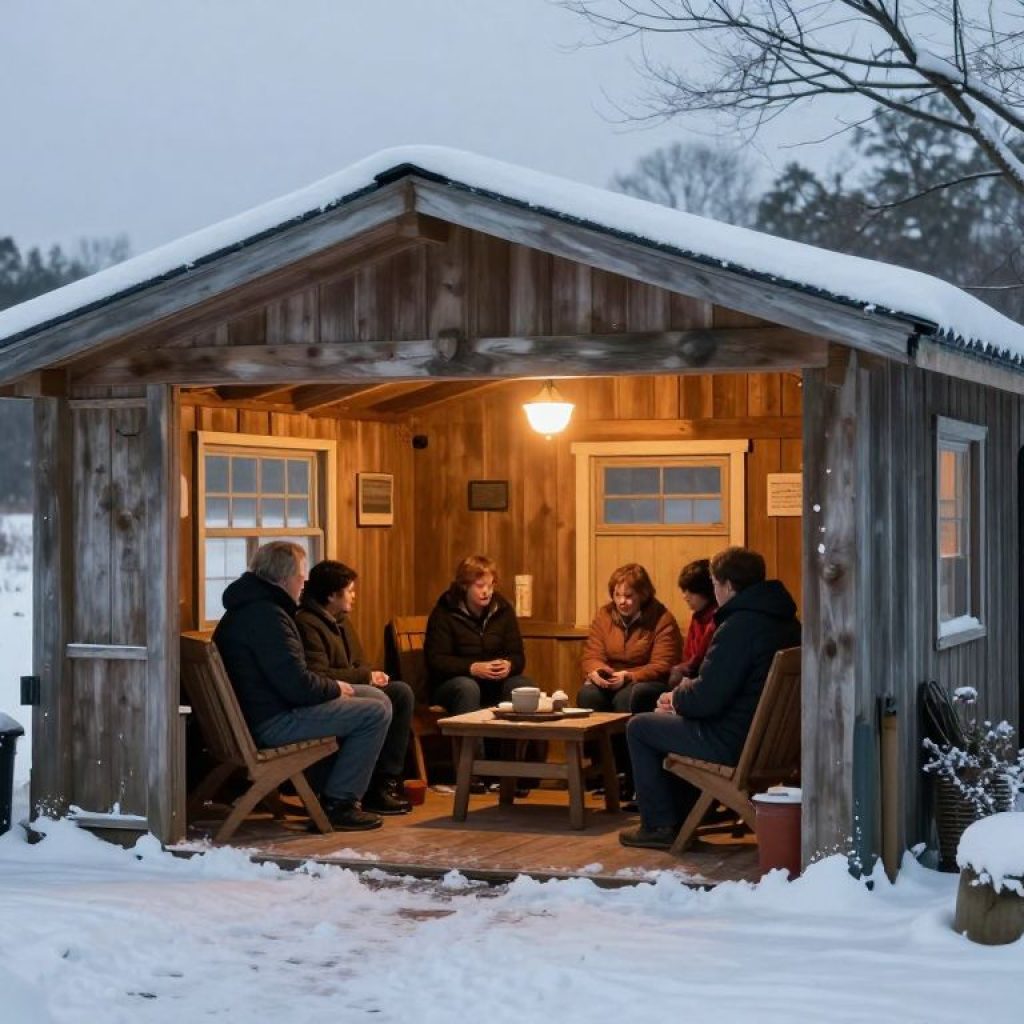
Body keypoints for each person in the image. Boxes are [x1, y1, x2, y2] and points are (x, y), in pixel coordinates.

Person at [619, 546, 801, 851]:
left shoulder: (739, 626)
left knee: (640, 728)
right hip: (771, 744)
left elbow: (707, 699)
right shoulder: (788, 623)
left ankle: (659, 825)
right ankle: (679, 817)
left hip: (733, 742)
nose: (714, 591)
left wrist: (675, 699)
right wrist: (680, 699)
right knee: (665, 720)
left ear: (728, 585)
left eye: (715, 584)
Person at [213, 541, 391, 832]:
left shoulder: (252, 608)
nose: (304, 583)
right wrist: (334, 687)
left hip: (258, 712)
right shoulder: (267, 616)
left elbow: (292, 679)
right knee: (374, 713)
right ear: (284, 579)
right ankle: (340, 803)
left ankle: (336, 791)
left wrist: (335, 685)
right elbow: (297, 687)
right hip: (272, 721)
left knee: (376, 697)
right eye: (301, 576)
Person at [295, 560, 414, 815]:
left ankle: (384, 781)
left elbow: (359, 661)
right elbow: (319, 674)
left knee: (400, 693)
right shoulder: (308, 623)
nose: (354, 595)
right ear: (331, 595)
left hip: (353, 686)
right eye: (349, 590)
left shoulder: (341, 620)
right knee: (379, 701)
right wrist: (365, 677)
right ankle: (345, 795)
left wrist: (370, 674)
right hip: (328, 695)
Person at [424, 554, 533, 714]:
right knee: (468, 688)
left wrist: (509, 665)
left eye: (490, 586)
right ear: (465, 586)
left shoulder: (502, 609)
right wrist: (471, 668)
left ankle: (514, 739)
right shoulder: (445, 612)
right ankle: (471, 740)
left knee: (524, 687)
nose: (487, 592)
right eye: (480, 586)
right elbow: (436, 660)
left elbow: (517, 655)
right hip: (452, 683)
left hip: (495, 683)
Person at [578, 563, 682, 716]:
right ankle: (595, 741)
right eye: (617, 595)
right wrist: (598, 671)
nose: (621, 601)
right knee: (588, 695)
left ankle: (624, 740)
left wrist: (629, 676)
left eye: (628, 596)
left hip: (644, 681)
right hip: (611, 678)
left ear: (642, 594)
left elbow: (662, 665)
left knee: (626, 698)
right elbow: (592, 655)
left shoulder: (662, 618)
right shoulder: (604, 615)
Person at [632, 557, 719, 713]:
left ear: (705, 590)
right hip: (685, 678)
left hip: (702, 683)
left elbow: (700, 661)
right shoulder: (697, 617)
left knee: (645, 703)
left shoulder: (716, 619)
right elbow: (688, 657)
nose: (685, 596)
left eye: (690, 591)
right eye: (684, 591)